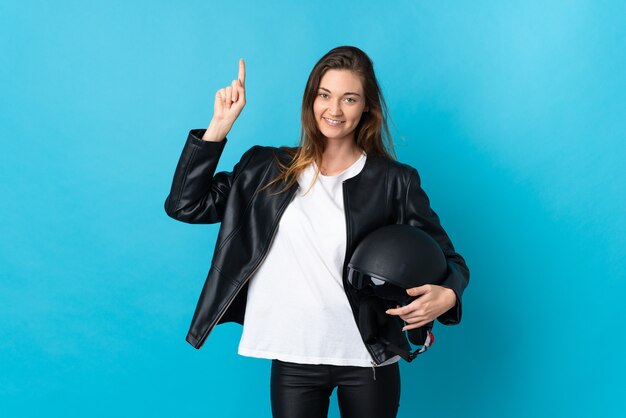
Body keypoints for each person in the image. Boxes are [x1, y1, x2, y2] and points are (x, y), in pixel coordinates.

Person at [164, 46, 470, 418]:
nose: (335, 110)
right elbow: (185, 205)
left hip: (369, 357)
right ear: (311, 99)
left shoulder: (394, 181)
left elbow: (449, 259)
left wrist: (449, 295)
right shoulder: (265, 167)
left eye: (349, 98)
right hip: (295, 356)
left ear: (366, 108)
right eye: (325, 95)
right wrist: (218, 128)